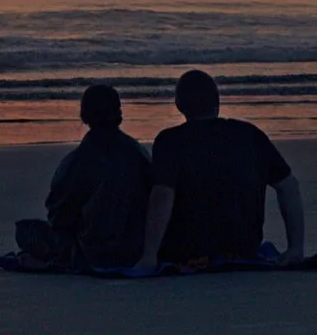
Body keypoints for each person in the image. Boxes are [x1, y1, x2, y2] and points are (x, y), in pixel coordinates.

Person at [127, 70, 304, 273]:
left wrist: (149, 256)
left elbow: (162, 195)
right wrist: (295, 248)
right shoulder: (249, 134)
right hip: (244, 248)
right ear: (217, 103)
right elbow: (288, 185)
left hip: (187, 251)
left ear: (178, 105)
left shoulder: (170, 141)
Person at [13, 83, 150, 270]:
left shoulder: (78, 159)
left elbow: (60, 214)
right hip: (138, 243)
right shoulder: (138, 152)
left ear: (84, 116)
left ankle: (61, 258)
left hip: (92, 248)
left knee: (26, 232)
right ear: (119, 113)